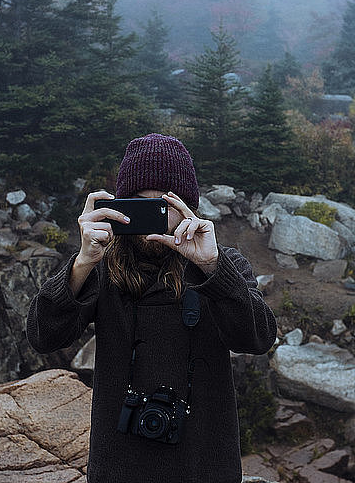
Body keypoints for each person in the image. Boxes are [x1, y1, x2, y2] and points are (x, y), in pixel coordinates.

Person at [26, 132, 277, 483]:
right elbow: (42, 336)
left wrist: (213, 270)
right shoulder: (101, 266)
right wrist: (81, 263)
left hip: (203, 467)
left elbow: (259, 339)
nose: (154, 219)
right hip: (120, 468)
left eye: (164, 206)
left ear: (189, 206)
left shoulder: (221, 265)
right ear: (121, 207)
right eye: (141, 206)